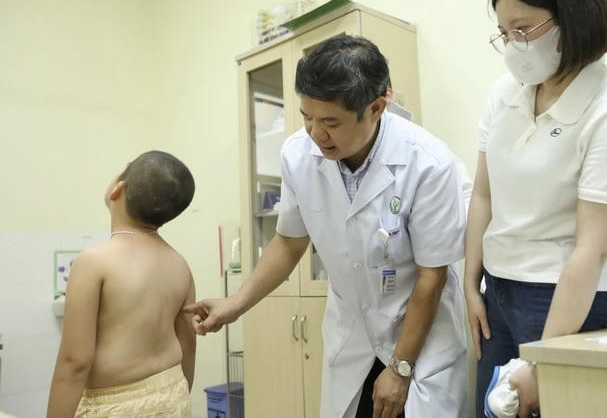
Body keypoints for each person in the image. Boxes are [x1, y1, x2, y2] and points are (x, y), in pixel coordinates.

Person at [185, 36, 469, 417]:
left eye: (330, 122)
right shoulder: (298, 155)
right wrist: (234, 304)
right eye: (307, 117)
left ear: (376, 108)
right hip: (353, 336)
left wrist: (400, 368)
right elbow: (289, 242)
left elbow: (431, 276)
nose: (316, 134)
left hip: (420, 338)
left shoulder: (429, 164)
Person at [464, 0, 607, 416]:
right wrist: (471, 284)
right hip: (496, 289)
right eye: (504, 33)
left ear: (574, 17)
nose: (513, 46)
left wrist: (543, 360)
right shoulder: (505, 93)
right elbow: (483, 194)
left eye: (523, 30)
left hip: (560, 300)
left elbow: (591, 249)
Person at [47, 150, 197, 418]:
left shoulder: (93, 262)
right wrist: (177, 399)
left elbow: (74, 362)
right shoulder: (179, 264)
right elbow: (188, 344)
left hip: (117, 406)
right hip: (173, 392)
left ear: (118, 189)